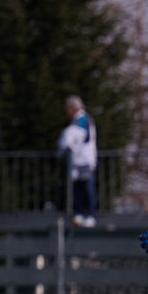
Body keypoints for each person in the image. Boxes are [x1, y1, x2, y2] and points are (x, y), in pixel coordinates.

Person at [57, 97, 98, 228]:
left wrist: (65, 146)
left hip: (84, 159)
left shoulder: (82, 119)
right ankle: (80, 214)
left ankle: (90, 215)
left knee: (86, 187)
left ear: (72, 108)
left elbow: (77, 138)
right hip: (78, 160)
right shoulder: (78, 120)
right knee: (78, 188)